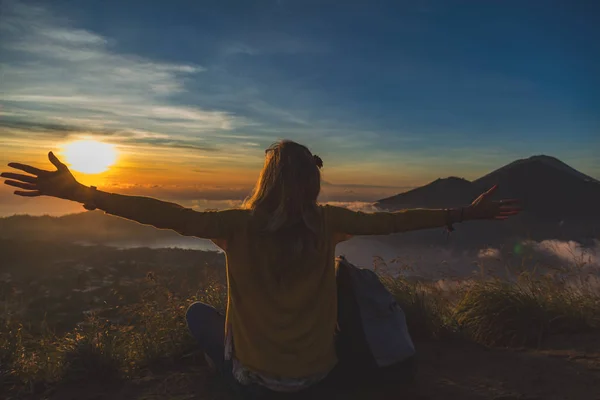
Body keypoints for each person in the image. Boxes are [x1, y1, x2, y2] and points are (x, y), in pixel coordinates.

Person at [2, 140, 520, 397]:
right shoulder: (328, 225)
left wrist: (82, 194)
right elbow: (400, 222)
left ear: (266, 179)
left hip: (257, 379)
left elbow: (160, 213)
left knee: (199, 315)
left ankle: (227, 376)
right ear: (313, 185)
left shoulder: (235, 226)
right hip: (319, 375)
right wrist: (462, 214)